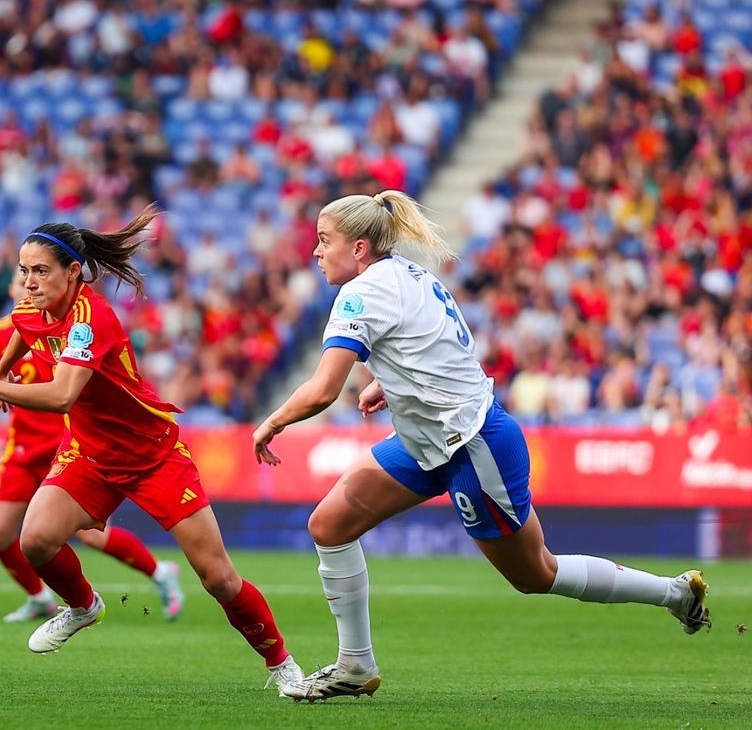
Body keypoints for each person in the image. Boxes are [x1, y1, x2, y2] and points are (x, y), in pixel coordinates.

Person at [253, 190, 712, 702]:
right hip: (426, 440)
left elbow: (321, 390)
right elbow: (443, 341)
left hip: (473, 447)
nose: (315, 252)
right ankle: (355, 666)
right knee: (330, 524)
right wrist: (394, 381)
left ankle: (673, 593)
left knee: (536, 572)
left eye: (324, 241)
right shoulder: (408, 274)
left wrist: (270, 422)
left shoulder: (362, 293)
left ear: (359, 248)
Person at [0, 207, 304, 692]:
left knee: (218, 578)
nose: (28, 281)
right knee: (35, 540)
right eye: (24, 270)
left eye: (41, 270)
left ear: (73, 272)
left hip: (152, 455)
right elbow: (22, 332)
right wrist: (5, 369)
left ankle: (281, 664)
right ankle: (83, 606)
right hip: (89, 453)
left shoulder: (92, 320)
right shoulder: (32, 307)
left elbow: (61, 395)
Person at [0, 270, 185, 623]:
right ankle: (39, 598)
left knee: (91, 537)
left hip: (66, 446)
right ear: (11, 289)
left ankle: (159, 572)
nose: (27, 284)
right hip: (23, 450)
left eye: (35, 274)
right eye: (20, 277)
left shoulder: (70, 328)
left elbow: (65, 394)